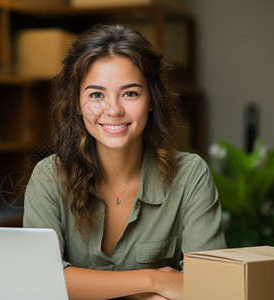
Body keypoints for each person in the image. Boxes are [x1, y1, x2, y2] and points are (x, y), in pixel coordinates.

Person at [23, 23, 227, 300]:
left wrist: (84, 286)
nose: (114, 110)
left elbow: (211, 287)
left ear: (151, 100)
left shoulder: (190, 175)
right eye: (96, 95)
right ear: (77, 103)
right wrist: (153, 280)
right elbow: (39, 280)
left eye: (130, 93)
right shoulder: (49, 177)